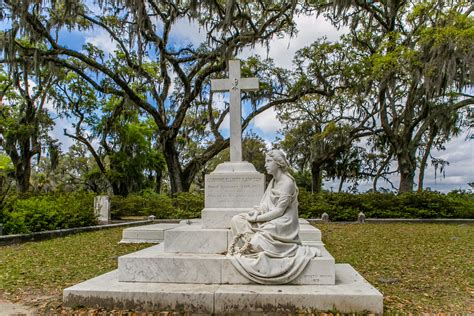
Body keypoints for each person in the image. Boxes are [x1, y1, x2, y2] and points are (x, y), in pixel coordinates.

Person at [227, 149, 320, 284]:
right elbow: (265, 204)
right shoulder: (273, 181)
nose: (266, 164)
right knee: (237, 220)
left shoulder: (287, 183)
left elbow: (279, 211)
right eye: (266, 161)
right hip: (268, 218)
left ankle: (256, 244)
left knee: (258, 239)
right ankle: (253, 244)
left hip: (283, 223)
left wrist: (257, 219)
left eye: (269, 161)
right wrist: (257, 212)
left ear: (278, 163)